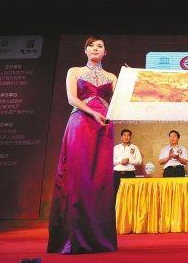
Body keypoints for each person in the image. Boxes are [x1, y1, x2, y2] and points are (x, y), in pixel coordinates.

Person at [47, 36, 118, 254]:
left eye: (100, 46)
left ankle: (99, 239)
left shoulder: (112, 76)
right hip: (80, 123)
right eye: (91, 46)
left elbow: (119, 101)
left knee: (100, 181)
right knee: (78, 178)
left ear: (105, 53)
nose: (95, 48)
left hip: (104, 127)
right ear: (85, 51)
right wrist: (93, 112)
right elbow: (71, 99)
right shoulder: (74, 71)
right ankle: (74, 238)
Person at [113, 129, 142, 195]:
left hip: (129, 174)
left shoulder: (134, 147)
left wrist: (129, 161)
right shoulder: (116, 147)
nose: (126, 137)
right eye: (124, 135)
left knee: (130, 194)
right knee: (116, 194)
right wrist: (121, 161)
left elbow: (139, 161)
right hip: (117, 174)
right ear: (121, 137)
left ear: (130, 137)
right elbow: (111, 160)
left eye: (128, 135)